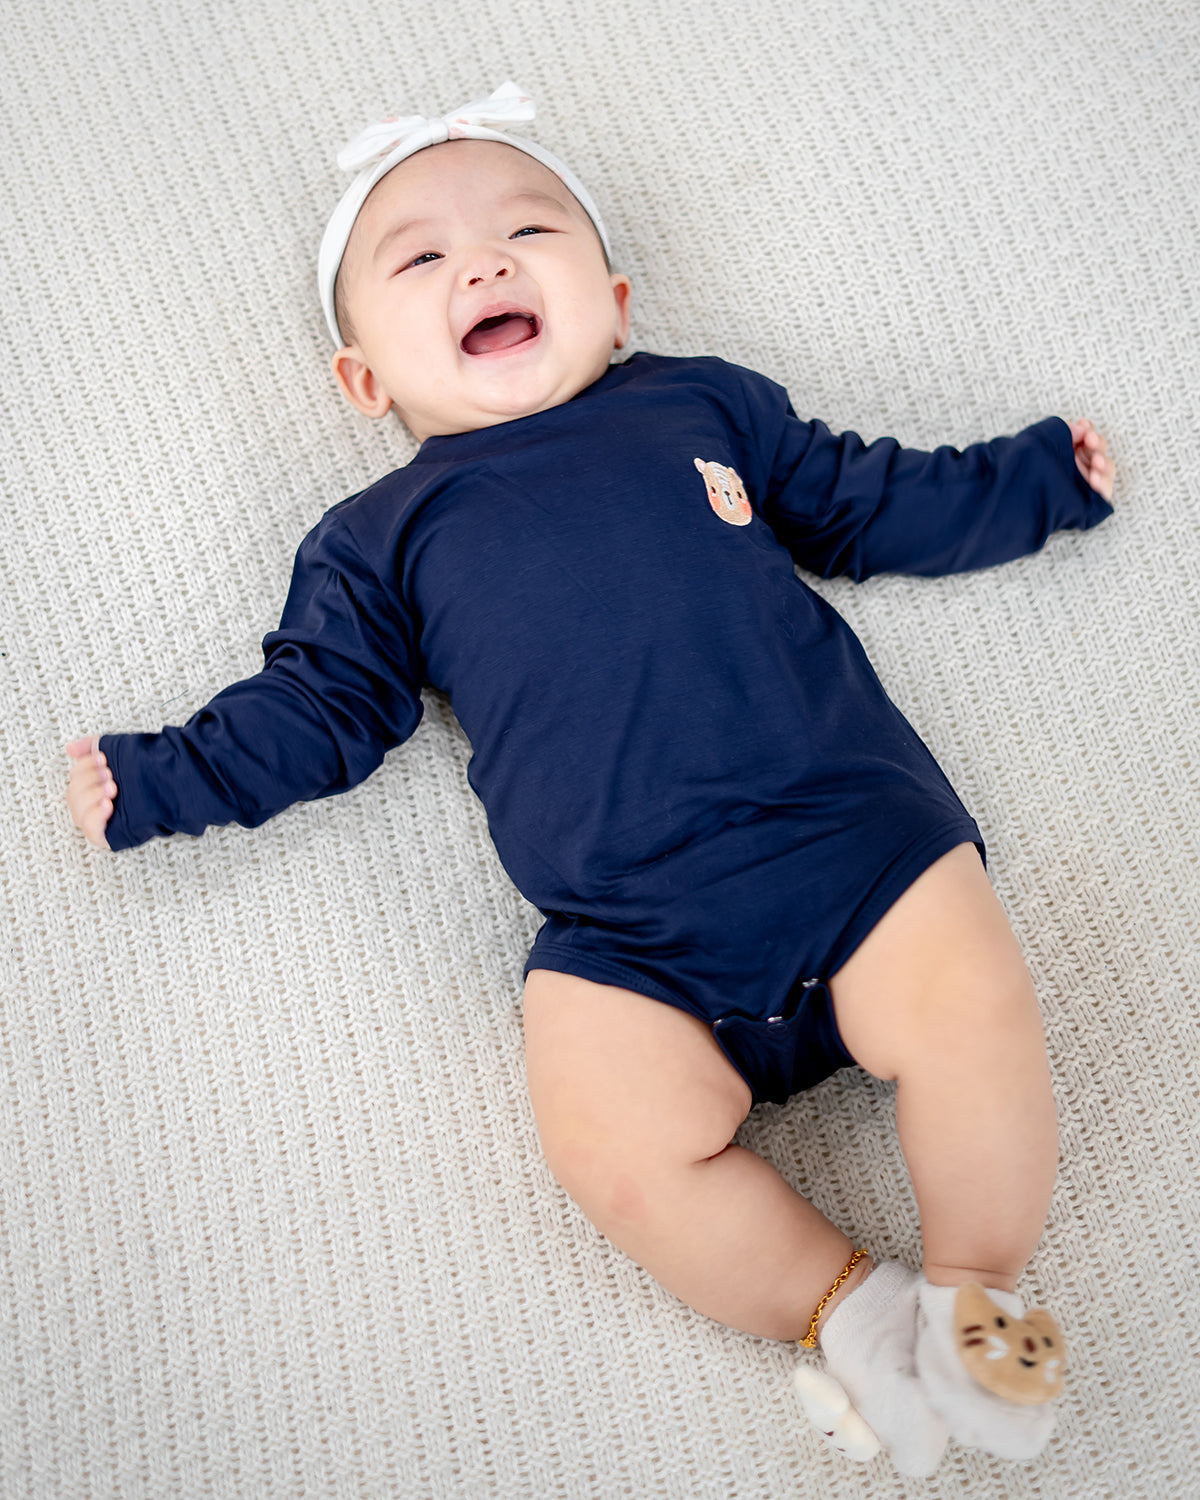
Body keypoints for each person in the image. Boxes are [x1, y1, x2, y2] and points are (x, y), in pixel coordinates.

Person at [66, 83, 1114, 1476]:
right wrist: (166, 778)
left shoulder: (695, 403)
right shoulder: (379, 534)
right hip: (628, 937)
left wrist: (1033, 480)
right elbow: (322, 704)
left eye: (527, 229)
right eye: (421, 259)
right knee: (605, 1143)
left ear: (615, 300)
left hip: (850, 843)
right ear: (365, 380)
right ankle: (848, 1309)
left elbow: (865, 498)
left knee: (975, 1008)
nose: (484, 262)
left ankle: (978, 1287)